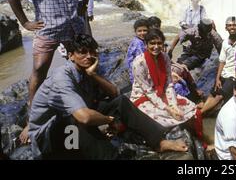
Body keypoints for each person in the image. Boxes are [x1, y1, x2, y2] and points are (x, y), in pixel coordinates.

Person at [28, 34, 188, 159]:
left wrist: (93, 75)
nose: (88, 56)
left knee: (120, 102)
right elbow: (84, 117)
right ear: (71, 56)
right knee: (75, 120)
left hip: (74, 120)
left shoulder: (88, 69)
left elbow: (115, 94)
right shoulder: (62, 78)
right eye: (82, 52)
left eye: (92, 52)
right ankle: (109, 156)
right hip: (49, 137)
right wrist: (110, 121)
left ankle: (158, 141)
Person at [4, 0, 92, 144]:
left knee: (81, 66)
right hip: (48, 28)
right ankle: (32, 120)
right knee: (39, 69)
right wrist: (25, 22)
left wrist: (82, 5)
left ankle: (84, 105)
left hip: (73, 27)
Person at [130, 29, 203, 139]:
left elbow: (169, 83)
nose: (156, 46)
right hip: (143, 96)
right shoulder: (139, 62)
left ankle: (197, 138)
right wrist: (168, 109)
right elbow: (148, 91)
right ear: (146, 45)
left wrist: (173, 105)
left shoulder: (165, 57)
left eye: (159, 43)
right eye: (152, 43)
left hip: (162, 92)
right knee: (161, 115)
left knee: (192, 110)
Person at [200, 16, 236, 115]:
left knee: (219, 96)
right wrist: (217, 78)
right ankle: (201, 110)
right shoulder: (225, 42)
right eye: (229, 25)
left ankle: (200, 114)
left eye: (234, 25)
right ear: (226, 28)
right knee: (212, 94)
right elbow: (222, 61)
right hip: (224, 74)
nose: (232, 27)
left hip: (234, 76)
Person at [126, 19, 150, 84]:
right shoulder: (138, 43)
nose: (142, 33)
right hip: (138, 74)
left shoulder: (142, 40)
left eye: (145, 30)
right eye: (139, 31)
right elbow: (143, 61)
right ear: (135, 32)